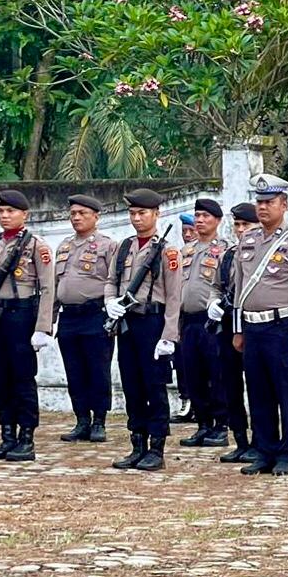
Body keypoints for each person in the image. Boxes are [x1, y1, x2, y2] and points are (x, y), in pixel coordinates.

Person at [231, 174, 288, 476]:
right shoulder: (248, 240)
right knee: (257, 391)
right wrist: (238, 329)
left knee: (286, 393)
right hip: (252, 328)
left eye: (269, 202)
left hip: (282, 327)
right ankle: (264, 451)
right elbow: (239, 289)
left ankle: (286, 454)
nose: (263, 207)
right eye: (260, 202)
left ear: (284, 204)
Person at [0, 190, 55, 462]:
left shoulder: (36, 246)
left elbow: (49, 288)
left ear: (24, 215)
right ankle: (7, 436)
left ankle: (26, 438)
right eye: (2, 212)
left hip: (22, 315)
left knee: (22, 378)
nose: (5, 216)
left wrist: (43, 327)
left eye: (11, 211)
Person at [105, 188, 183, 472]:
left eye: (142, 213)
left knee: (154, 386)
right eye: (133, 213)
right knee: (131, 385)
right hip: (127, 323)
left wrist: (169, 336)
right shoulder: (123, 247)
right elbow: (111, 281)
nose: (137, 218)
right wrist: (109, 302)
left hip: (153, 322)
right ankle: (137, 444)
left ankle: (156, 448)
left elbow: (175, 297)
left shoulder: (167, 251)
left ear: (156, 214)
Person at [54, 193, 118, 443]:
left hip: (95, 315)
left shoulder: (107, 245)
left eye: (82, 214)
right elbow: (56, 285)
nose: (77, 218)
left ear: (96, 217)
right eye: (73, 214)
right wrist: (47, 320)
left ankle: (99, 420)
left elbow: (115, 281)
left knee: (97, 369)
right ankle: (81, 419)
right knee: (74, 370)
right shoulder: (65, 246)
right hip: (69, 317)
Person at [178, 198, 230, 449]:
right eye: (197, 216)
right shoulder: (186, 251)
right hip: (188, 321)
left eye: (205, 216)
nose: (199, 221)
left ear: (217, 221)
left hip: (212, 322)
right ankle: (202, 424)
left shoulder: (225, 250)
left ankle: (221, 425)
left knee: (216, 374)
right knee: (192, 375)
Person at [209, 202, 259, 463]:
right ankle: (240, 438)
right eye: (237, 225)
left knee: (258, 386)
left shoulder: (262, 254)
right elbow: (217, 286)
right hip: (227, 325)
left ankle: (260, 441)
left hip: (253, 325)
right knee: (230, 384)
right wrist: (213, 303)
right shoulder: (228, 255)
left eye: (246, 225)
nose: (241, 230)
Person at [171, 211, 197, 424]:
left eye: (191, 230)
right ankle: (186, 401)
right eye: (184, 231)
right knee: (182, 363)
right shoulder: (178, 255)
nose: (187, 235)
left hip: (202, 318)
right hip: (180, 318)